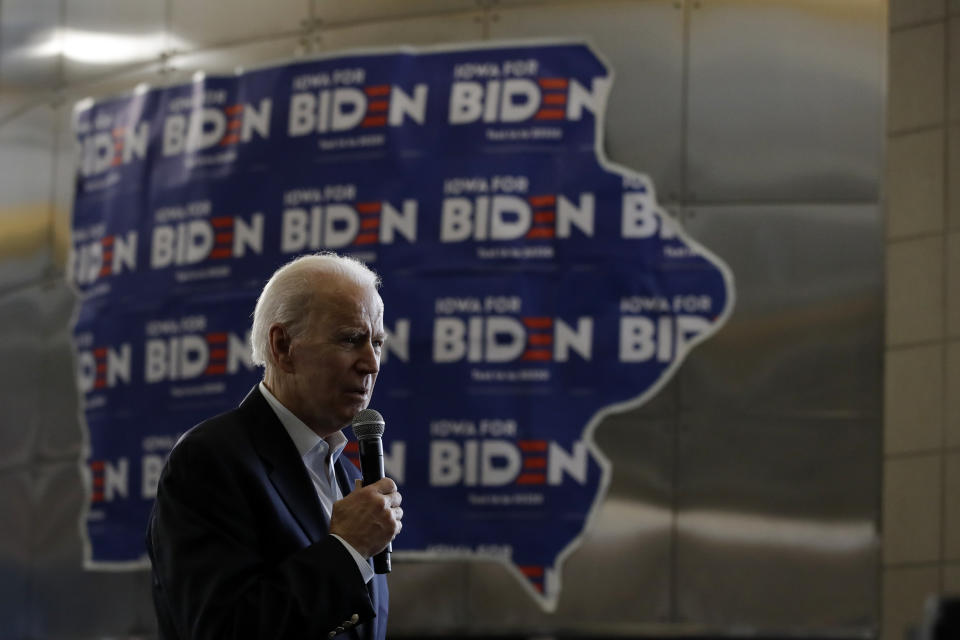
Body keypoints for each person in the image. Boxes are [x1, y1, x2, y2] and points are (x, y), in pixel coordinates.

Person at [146, 252, 402, 640]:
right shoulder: (210, 461)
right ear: (283, 347)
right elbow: (220, 630)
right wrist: (347, 548)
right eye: (351, 339)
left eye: (377, 343)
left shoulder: (349, 477)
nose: (371, 362)